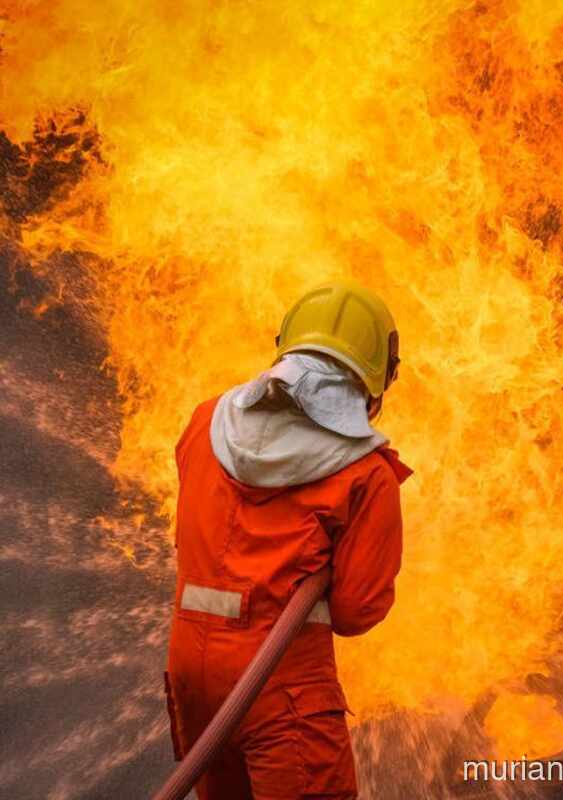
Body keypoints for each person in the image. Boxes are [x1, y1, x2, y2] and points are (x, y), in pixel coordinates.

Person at [164, 280, 411, 799]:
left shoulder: (204, 422)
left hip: (192, 676)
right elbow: (354, 613)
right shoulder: (366, 475)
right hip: (281, 686)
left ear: (285, 347)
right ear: (377, 377)